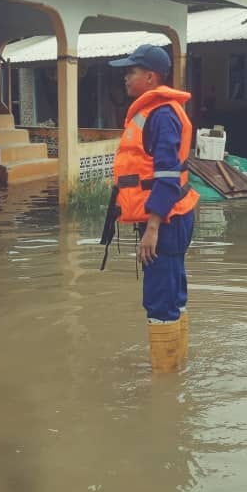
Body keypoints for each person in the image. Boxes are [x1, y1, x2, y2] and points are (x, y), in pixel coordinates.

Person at [100, 44, 199, 373]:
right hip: (172, 217)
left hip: (166, 221)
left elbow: (167, 178)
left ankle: (164, 384)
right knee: (173, 295)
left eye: (131, 71)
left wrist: (152, 229)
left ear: (150, 77)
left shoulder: (161, 115)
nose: (126, 77)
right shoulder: (156, 112)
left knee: (160, 300)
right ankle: (177, 369)